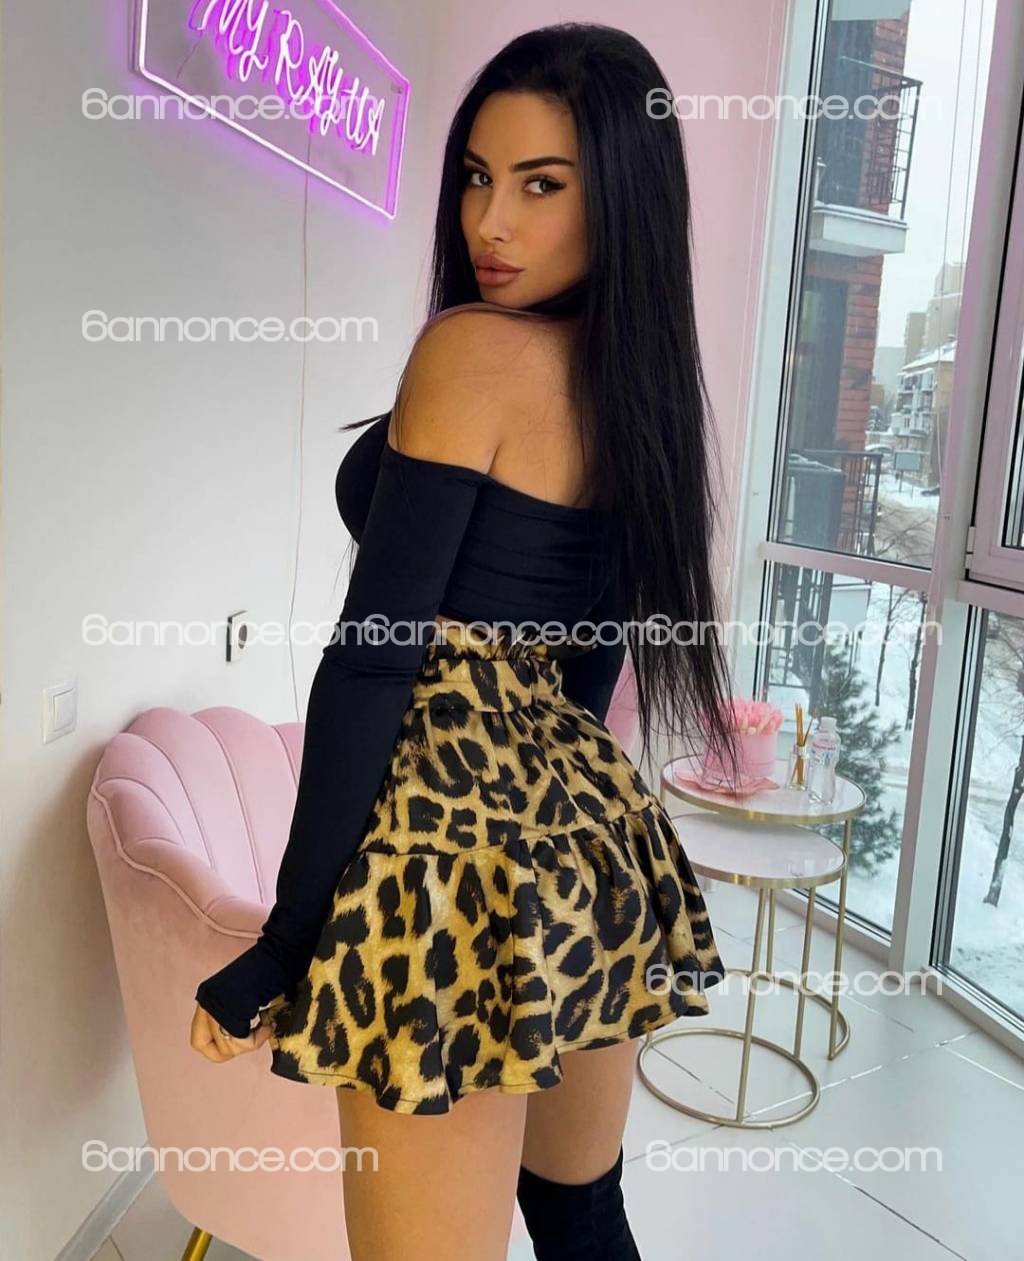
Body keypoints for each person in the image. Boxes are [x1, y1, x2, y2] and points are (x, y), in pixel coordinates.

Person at [189, 21, 741, 1261]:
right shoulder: (641, 390)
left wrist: (286, 939)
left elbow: (374, 656)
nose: (490, 222)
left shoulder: (471, 352)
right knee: (581, 1216)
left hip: (441, 864)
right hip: (594, 842)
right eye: (479, 178)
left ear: (623, 195)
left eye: (542, 185)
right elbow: (593, 662)